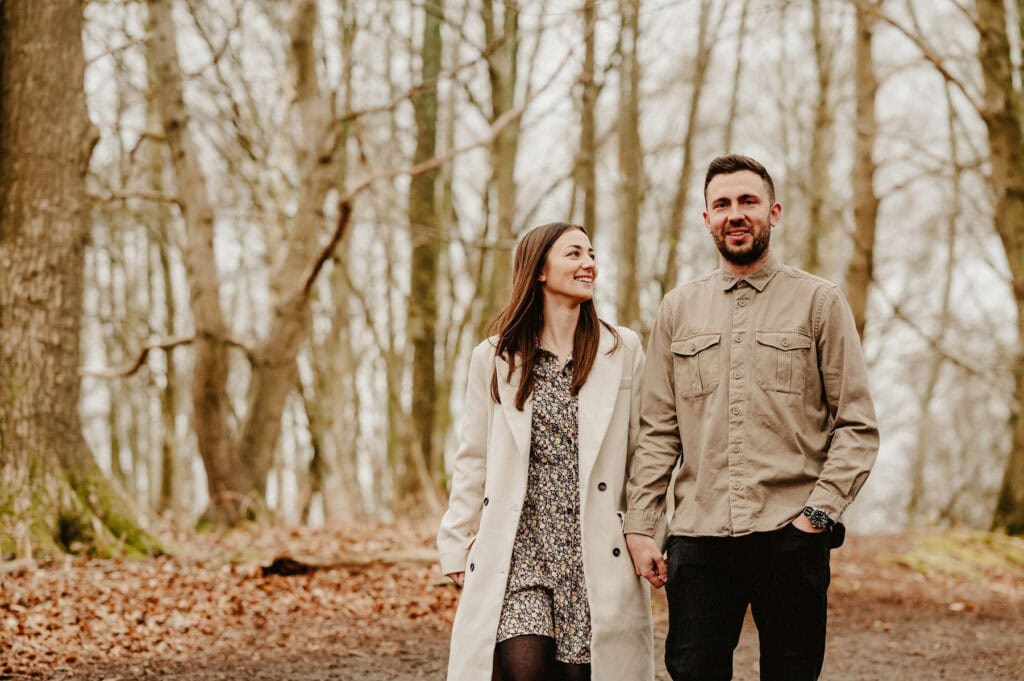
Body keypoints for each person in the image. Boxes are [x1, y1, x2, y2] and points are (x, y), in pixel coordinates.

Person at [623, 155, 879, 681]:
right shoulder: (677, 310)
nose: (735, 214)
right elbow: (657, 431)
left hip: (791, 535)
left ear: (774, 212)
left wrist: (817, 517)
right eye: (722, 204)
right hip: (698, 536)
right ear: (706, 218)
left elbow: (857, 426)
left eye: (747, 202)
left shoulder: (819, 302)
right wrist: (642, 527)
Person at [437, 222, 654, 681]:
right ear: (539, 270)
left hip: (593, 549)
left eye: (592, 254)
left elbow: (643, 452)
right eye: (574, 254)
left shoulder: (622, 349)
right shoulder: (495, 356)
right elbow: (472, 455)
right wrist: (455, 540)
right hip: (520, 549)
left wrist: (646, 528)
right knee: (523, 670)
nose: (589, 263)